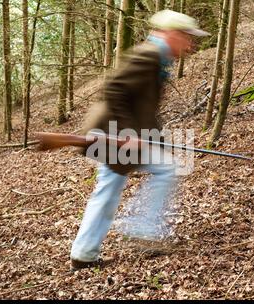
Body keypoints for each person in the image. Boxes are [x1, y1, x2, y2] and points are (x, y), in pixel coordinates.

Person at [70, 10, 210, 270]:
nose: (190, 45)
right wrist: (129, 133)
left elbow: (142, 108)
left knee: (114, 185)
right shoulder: (148, 56)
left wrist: (155, 139)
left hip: (119, 134)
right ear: (173, 34)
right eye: (187, 38)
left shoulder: (157, 58)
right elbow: (114, 90)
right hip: (112, 134)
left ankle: (87, 251)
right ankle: (138, 230)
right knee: (117, 185)